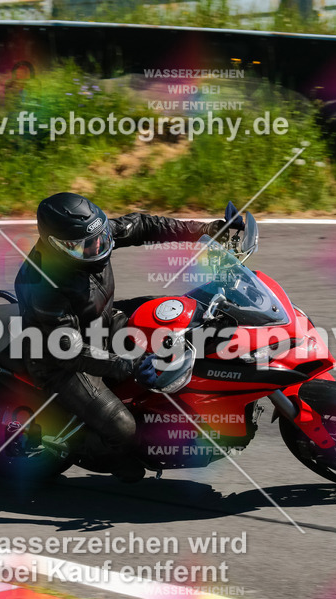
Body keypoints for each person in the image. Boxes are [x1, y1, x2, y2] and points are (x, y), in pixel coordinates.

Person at [14, 192, 235, 482]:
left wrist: (204, 230)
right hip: (61, 361)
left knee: (177, 316)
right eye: (86, 247)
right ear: (58, 246)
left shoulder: (90, 236)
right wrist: (128, 364)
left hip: (103, 324)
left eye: (101, 239)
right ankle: (97, 452)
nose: (98, 248)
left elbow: (142, 225)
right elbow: (69, 350)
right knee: (122, 429)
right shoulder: (42, 284)